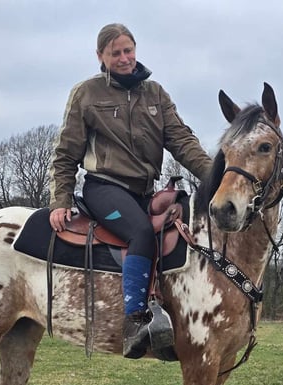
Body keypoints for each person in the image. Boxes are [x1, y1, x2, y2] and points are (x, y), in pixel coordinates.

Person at [48, 23, 213, 359]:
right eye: (115, 53)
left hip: (143, 191)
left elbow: (181, 141)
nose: (123, 59)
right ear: (101, 57)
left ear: (135, 50)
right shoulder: (87, 94)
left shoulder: (155, 94)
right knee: (140, 232)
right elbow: (65, 154)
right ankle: (135, 322)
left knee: (184, 216)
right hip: (103, 188)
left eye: (128, 51)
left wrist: (216, 176)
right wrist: (60, 200)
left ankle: (179, 311)